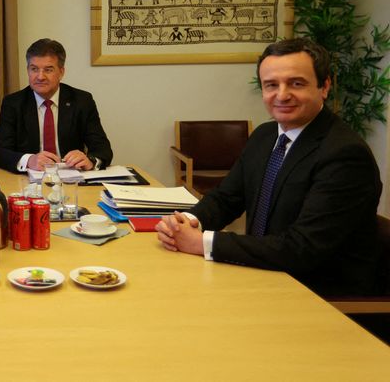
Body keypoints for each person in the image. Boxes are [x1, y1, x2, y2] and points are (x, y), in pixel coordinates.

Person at [156, 38, 382, 297]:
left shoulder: (345, 154)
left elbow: (302, 248)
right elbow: (227, 198)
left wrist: (203, 242)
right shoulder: (265, 135)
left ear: (325, 86)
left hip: (320, 295)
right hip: (266, 272)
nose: (282, 95)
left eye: (296, 83)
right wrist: (186, 222)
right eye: (271, 85)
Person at [0, 38, 113, 173]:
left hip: (71, 179)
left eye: (48, 70)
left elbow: (103, 149)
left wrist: (90, 160)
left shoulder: (82, 101)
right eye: (34, 69)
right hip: (28, 181)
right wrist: (29, 160)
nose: (40, 76)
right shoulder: (13, 103)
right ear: (28, 70)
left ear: (61, 72)